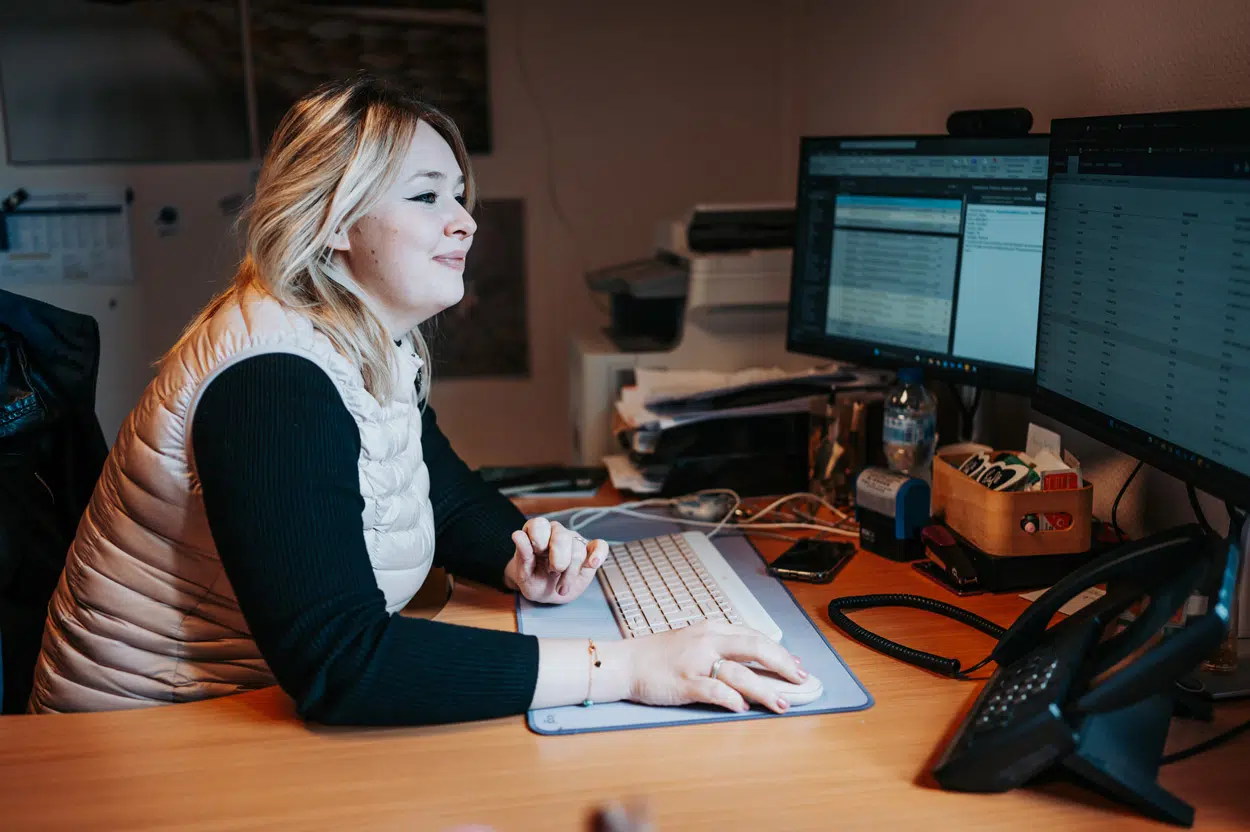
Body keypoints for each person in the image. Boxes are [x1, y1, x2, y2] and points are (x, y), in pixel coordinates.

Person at [27, 75, 805, 724]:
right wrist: (626, 665)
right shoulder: (273, 382)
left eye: (459, 195)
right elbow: (341, 663)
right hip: (143, 736)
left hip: (235, 705)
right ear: (333, 221)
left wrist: (518, 554)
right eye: (428, 196)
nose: (464, 221)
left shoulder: (360, 337)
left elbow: (442, 492)